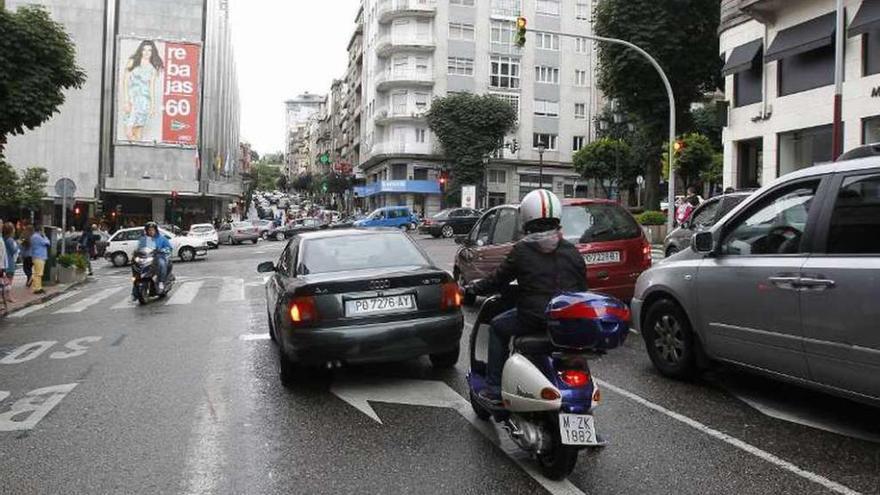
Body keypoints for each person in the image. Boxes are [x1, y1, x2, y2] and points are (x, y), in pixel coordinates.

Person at [466, 189, 588, 403]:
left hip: (534, 319)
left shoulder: (522, 250)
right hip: (567, 323)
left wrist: (473, 289)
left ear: (526, 218)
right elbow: (582, 287)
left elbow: (497, 280)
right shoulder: (573, 251)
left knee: (497, 327)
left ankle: (494, 387)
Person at [122, 40, 163, 141]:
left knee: (138, 132)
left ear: (153, 52)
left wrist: (152, 106)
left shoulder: (152, 68)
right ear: (141, 50)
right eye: (144, 50)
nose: (146, 52)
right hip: (132, 100)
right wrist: (126, 100)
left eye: (149, 50)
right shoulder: (132, 61)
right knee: (129, 131)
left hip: (144, 101)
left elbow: (151, 88)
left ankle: (135, 153)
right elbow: (125, 81)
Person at [133, 222, 172, 299]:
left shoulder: (162, 239)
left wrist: (162, 250)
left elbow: (169, 248)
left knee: (161, 263)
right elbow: (138, 248)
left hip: (159, 257)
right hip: (147, 258)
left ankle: (161, 282)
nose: (150, 231)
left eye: (152, 230)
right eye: (149, 230)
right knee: (135, 264)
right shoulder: (143, 239)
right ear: (146, 231)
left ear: (156, 230)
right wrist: (135, 253)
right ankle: (134, 290)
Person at [30, 226, 50, 295]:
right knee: (38, 274)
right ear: (40, 231)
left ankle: (39, 287)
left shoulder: (34, 236)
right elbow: (47, 243)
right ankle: (37, 288)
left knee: (38, 273)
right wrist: (45, 236)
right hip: (39, 257)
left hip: (37, 256)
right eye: (43, 231)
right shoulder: (38, 237)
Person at [3, 223, 19, 302]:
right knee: (9, 280)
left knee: (4, 280)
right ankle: (8, 296)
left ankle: (5, 296)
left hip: (4, 261)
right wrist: (18, 245)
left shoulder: (3, 239)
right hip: (9, 262)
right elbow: (13, 250)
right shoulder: (10, 240)